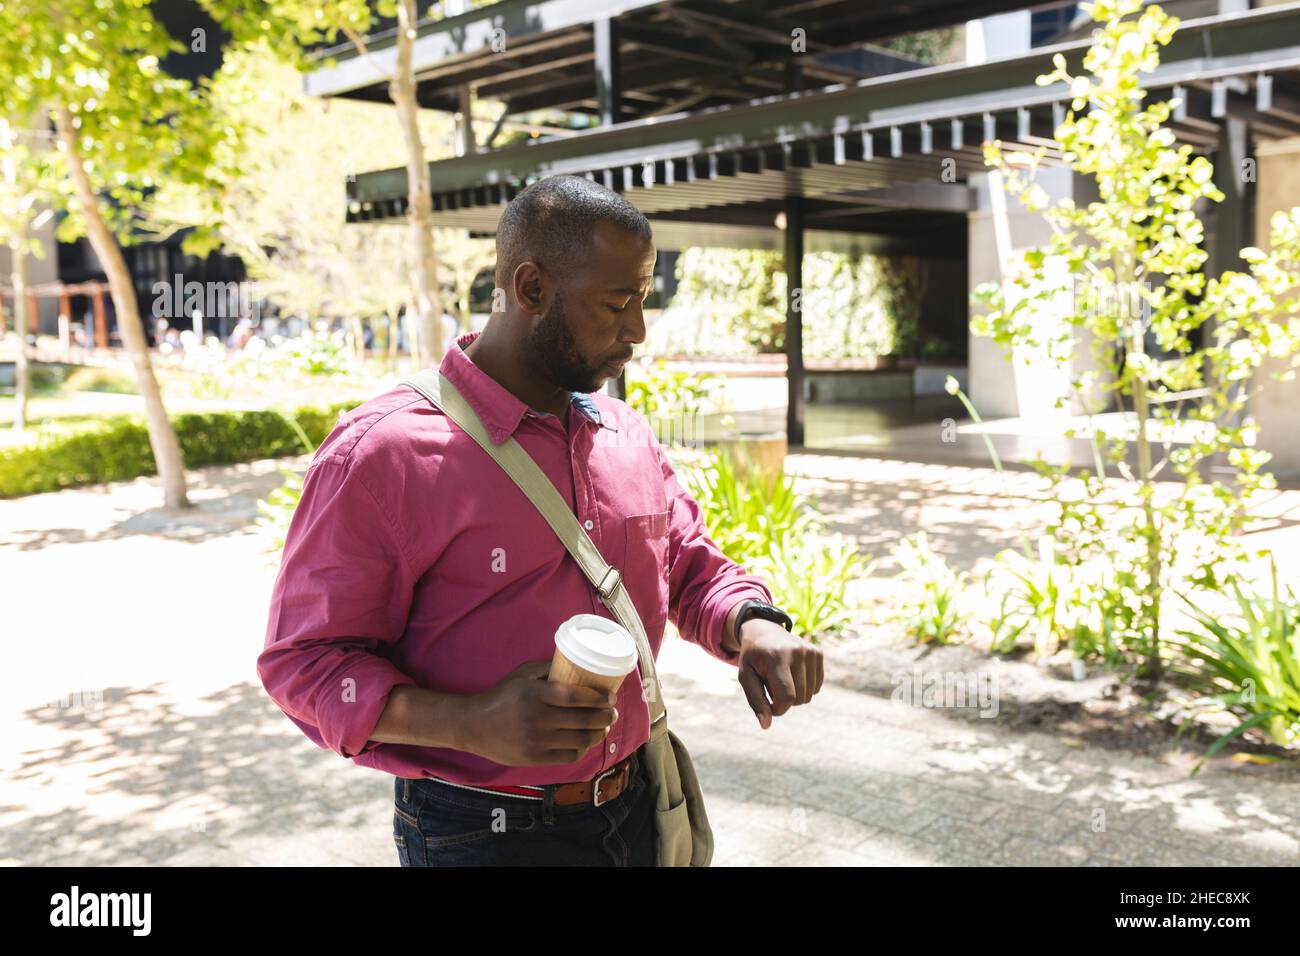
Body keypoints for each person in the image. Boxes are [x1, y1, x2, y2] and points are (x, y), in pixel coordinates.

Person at [257, 174, 823, 867]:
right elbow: (304, 665)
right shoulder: (383, 455)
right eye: (617, 303)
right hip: (481, 834)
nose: (638, 330)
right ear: (530, 290)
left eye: (643, 299)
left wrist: (752, 623)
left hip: (639, 805)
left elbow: (686, 564)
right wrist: (468, 724)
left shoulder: (624, 432)